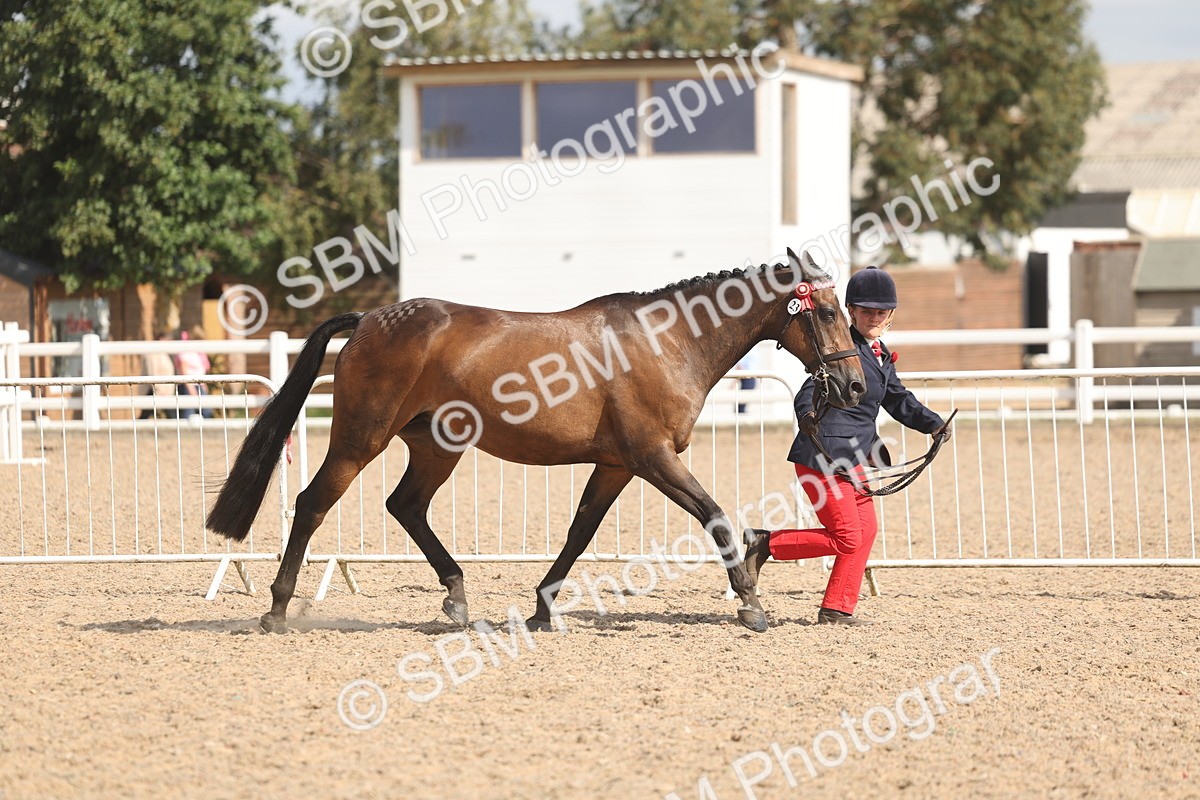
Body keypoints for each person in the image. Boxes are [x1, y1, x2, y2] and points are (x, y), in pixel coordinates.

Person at [742, 266, 951, 625]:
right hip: (822, 454)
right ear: (850, 311)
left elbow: (898, 399)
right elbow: (810, 388)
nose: (873, 317)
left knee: (865, 531)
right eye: (866, 311)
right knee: (847, 535)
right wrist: (806, 413)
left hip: (854, 459)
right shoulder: (840, 347)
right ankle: (766, 544)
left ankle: (837, 608)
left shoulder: (881, 354)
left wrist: (933, 423)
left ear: (890, 316)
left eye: (880, 312)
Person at [174, 326, 213, 419]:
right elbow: (184, 371)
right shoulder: (186, 351)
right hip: (189, 385)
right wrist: (191, 388)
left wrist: (204, 385)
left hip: (199, 384)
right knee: (189, 412)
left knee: (206, 411)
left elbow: (200, 370)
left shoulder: (198, 353)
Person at [139, 330, 177, 420]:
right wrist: (158, 388)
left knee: (146, 414)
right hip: (156, 390)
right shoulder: (154, 353)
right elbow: (152, 372)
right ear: (161, 339)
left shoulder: (163, 353)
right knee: (171, 415)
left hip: (164, 390)